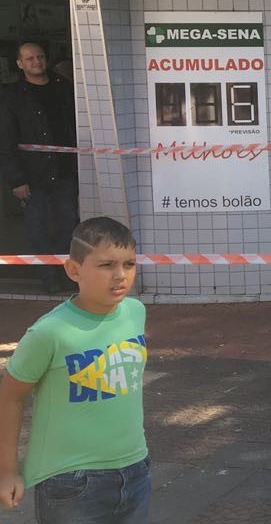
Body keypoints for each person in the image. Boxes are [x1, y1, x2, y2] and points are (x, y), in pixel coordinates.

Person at [0, 217, 151, 523]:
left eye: (129, 264)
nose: (120, 275)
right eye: (106, 265)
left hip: (135, 469)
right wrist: (7, 471)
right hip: (70, 481)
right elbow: (10, 398)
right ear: (73, 270)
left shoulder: (136, 312)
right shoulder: (50, 332)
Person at [0, 42, 78, 292]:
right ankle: (49, 279)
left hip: (65, 170)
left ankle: (66, 274)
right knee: (38, 228)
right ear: (19, 64)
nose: (36, 61)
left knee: (69, 224)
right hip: (33, 175)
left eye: (40, 56)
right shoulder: (12, 96)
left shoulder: (62, 87)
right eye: (30, 58)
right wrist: (16, 180)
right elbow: (6, 141)